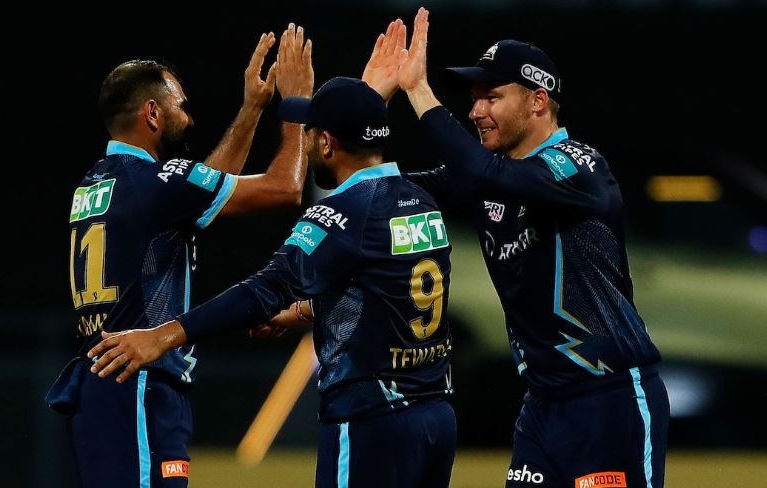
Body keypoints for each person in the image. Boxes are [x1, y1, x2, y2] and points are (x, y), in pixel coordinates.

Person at [87, 76, 457, 488]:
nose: (308, 142)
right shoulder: (419, 199)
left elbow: (265, 289)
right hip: (437, 416)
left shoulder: (342, 213)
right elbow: (383, 293)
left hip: (371, 419)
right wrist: (300, 311)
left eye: (310, 132)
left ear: (326, 143)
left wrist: (164, 335)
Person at [365, 8, 669, 488]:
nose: (475, 112)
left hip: (609, 399)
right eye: (473, 100)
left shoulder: (579, 166)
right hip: (542, 407)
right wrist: (367, 109)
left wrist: (419, 92)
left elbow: (487, 175)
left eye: (491, 97)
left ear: (538, 101)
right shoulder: (488, 177)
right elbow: (379, 198)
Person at [45, 23, 313, 488]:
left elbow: (199, 189)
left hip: (107, 386)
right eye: (180, 105)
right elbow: (285, 188)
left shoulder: (100, 182)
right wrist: (296, 105)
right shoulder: (152, 184)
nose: (188, 117)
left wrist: (252, 107)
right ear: (152, 113)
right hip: (138, 384)